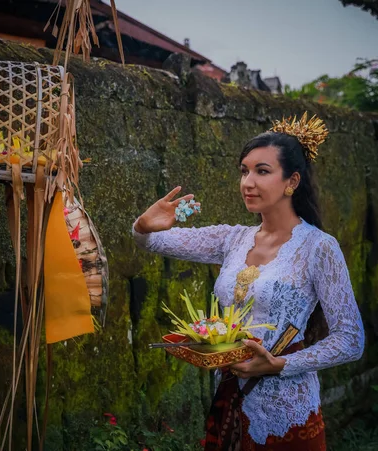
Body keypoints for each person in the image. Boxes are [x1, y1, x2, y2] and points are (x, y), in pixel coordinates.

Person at [132, 113, 365, 450]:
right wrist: (144, 225)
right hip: (230, 398)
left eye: (262, 171)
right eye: (244, 171)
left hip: (287, 414)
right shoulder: (233, 239)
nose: (247, 182)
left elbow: (351, 339)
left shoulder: (319, 247)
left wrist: (281, 364)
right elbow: (152, 242)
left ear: (292, 181)